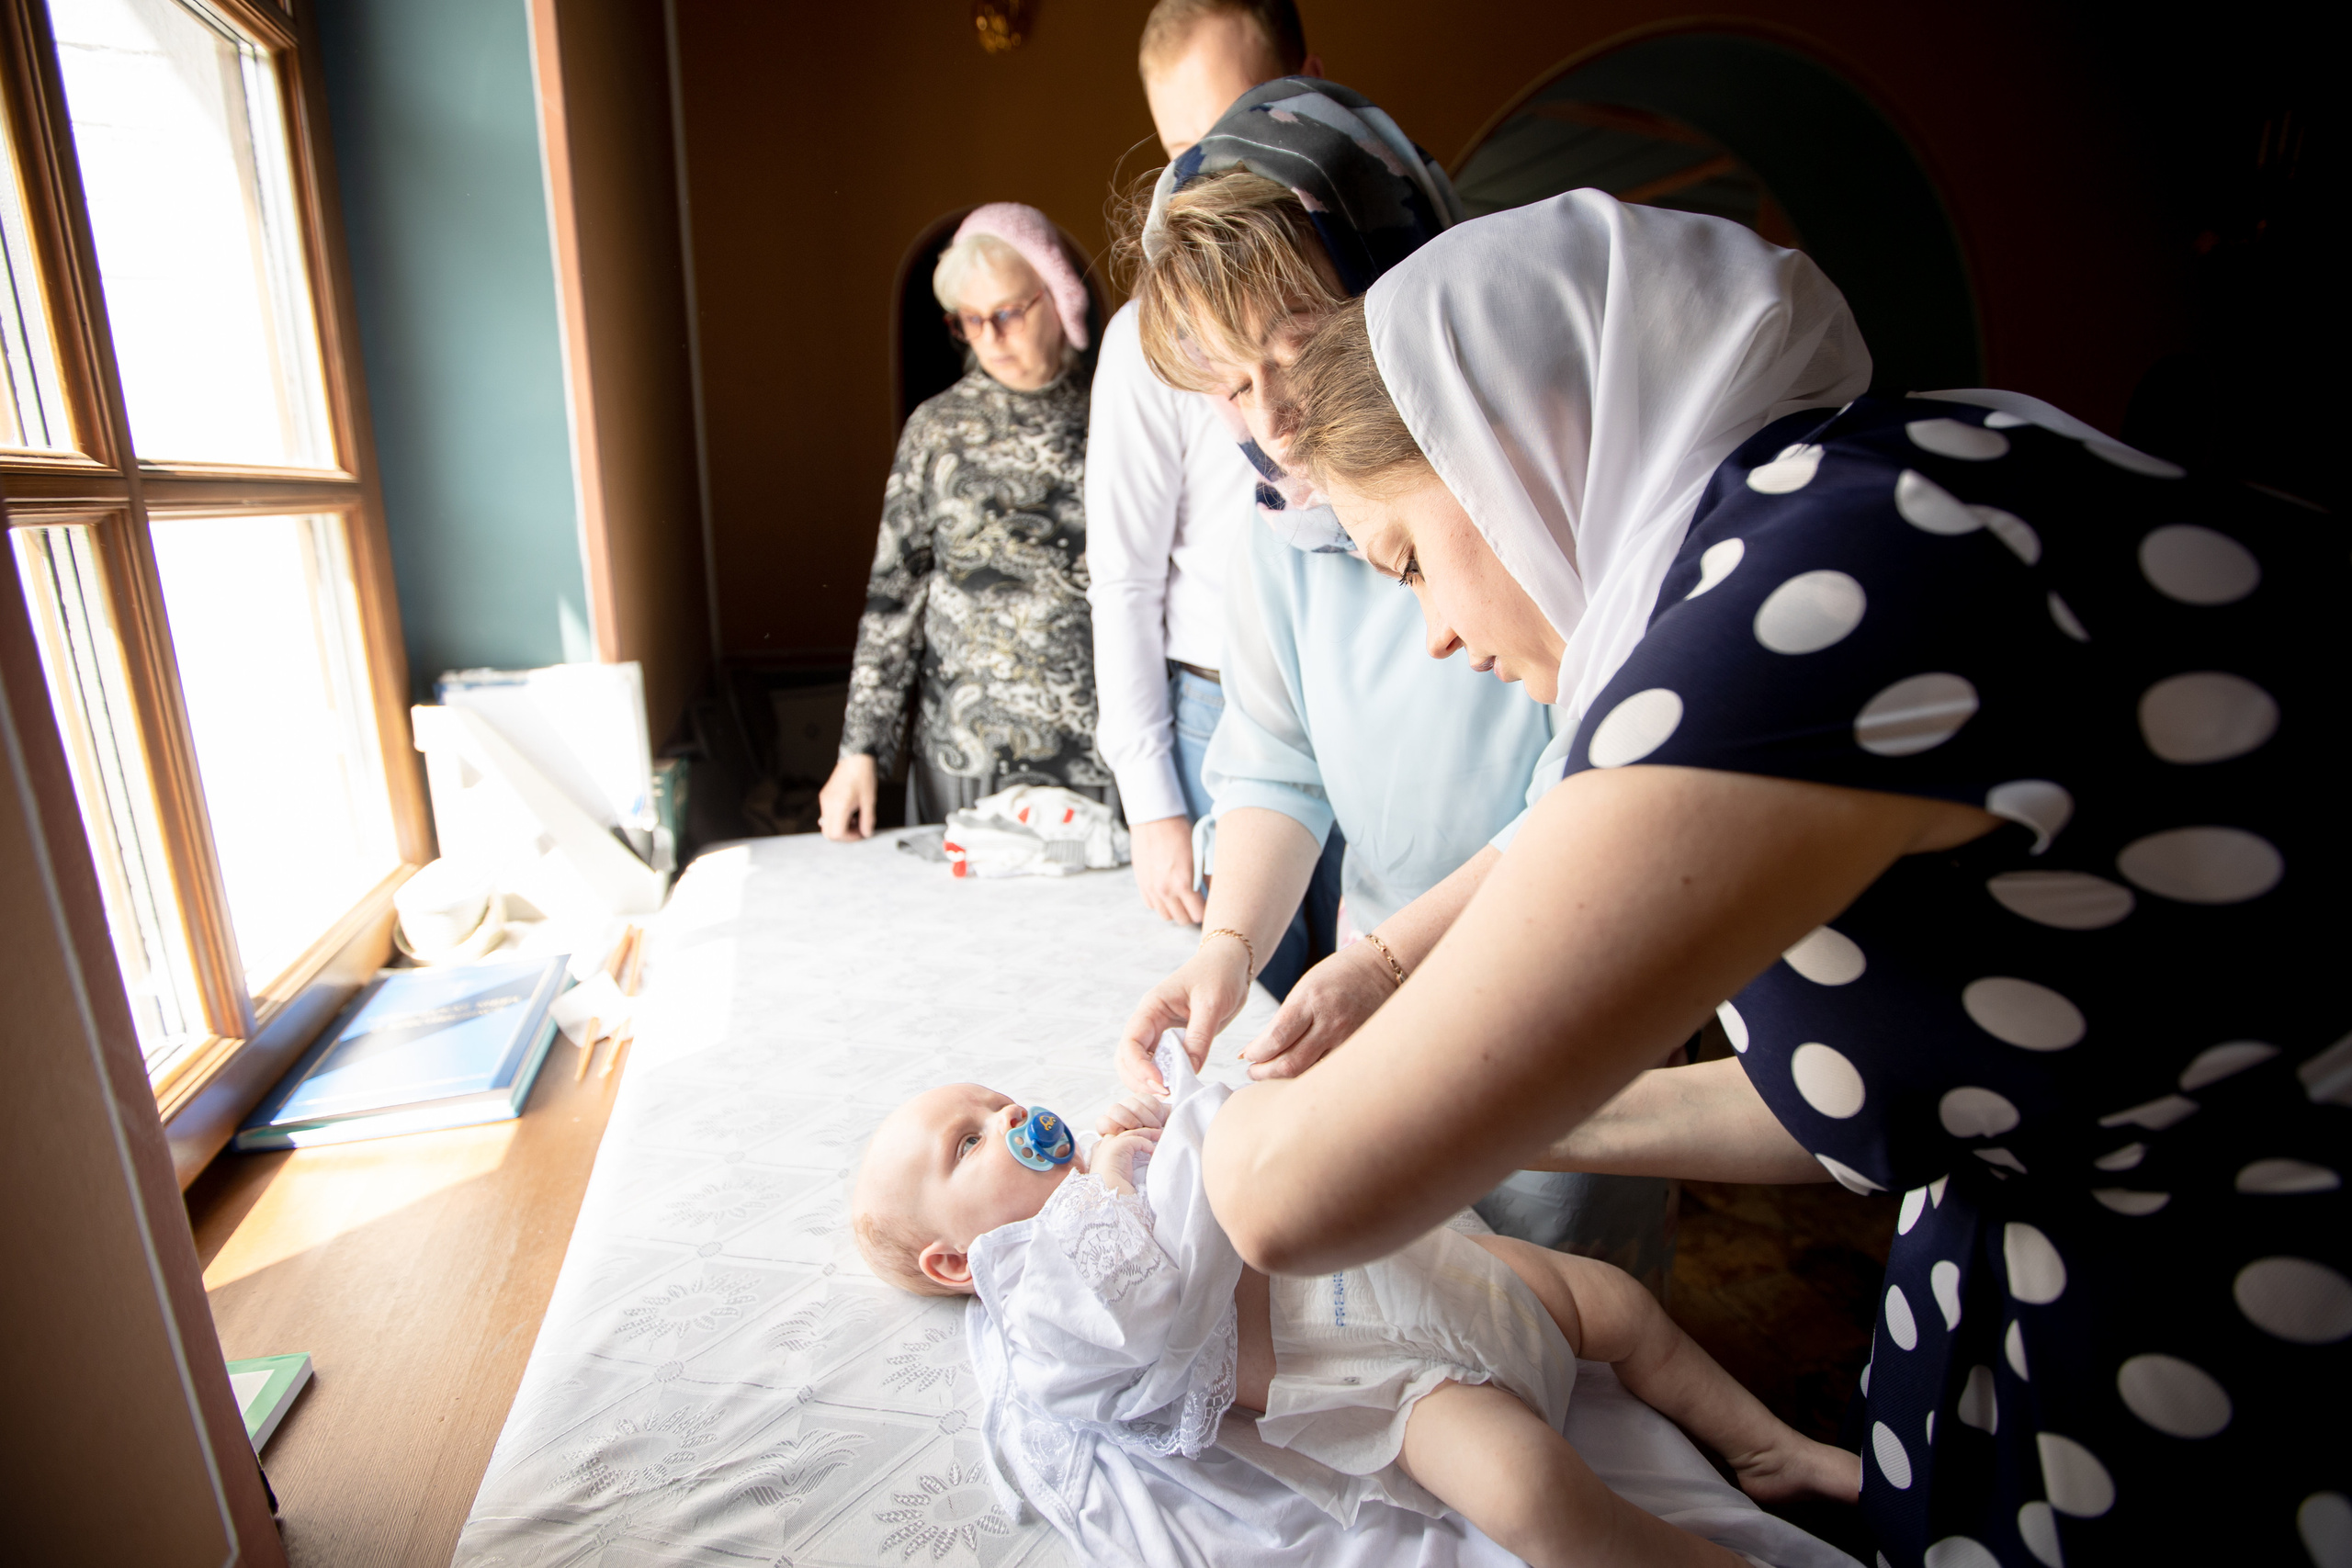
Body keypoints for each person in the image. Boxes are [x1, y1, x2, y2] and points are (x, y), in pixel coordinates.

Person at [1205, 189, 2340, 1567]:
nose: (1436, 630)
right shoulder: (1875, 483)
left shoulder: (1805, 603)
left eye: (1411, 560)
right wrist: (1487, 1093)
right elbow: (1877, 1080)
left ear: (1513, 446)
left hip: (2225, 1345)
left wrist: (1218, 1129)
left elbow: (1287, 1198)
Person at [1117, 82, 1675, 1283]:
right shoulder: (1273, 541)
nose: (1274, 416)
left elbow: (1589, 796)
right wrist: (1228, 945)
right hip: (1384, 956)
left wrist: (1387, 963)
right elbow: (1276, 759)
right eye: (1225, 381)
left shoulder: (1541, 501)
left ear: (1412, 285)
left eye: (1303, 341)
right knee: (1426, 1294)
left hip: (1558, 951)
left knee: (1578, 1290)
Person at [850, 1037, 1861, 1568]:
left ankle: (1771, 1448)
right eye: (970, 1143)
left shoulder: (1118, 1167)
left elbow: (1233, 1161)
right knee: (1528, 1497)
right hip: (1383, 1381)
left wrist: (1153, 1130)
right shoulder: (1042, 1303)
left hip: (1425, 1276)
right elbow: (1145, 1312)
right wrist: (1119, 1174)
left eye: (993, 1099)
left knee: (1617, 1306)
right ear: (954, 1264)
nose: (1008, 1115)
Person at [1091, 0, 1336, 997]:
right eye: (1185, 147)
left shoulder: (1380, 288)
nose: (1216, 174)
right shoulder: (1142, 348)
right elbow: (1122, 577)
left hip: (1358, 693)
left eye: (1245, 125)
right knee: (1252, 1008)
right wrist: (1153, 803)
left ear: (1309, 87)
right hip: (1215, 717)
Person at [819, 203, 1109, 838]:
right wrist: (859, 749)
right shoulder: (938, 429)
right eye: (970, 321)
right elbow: (895, 594)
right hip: (963, 753)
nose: (991, 338)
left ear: (1057, 297)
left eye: (1007, 312)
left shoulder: (1114, 416)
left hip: (1098, 750)